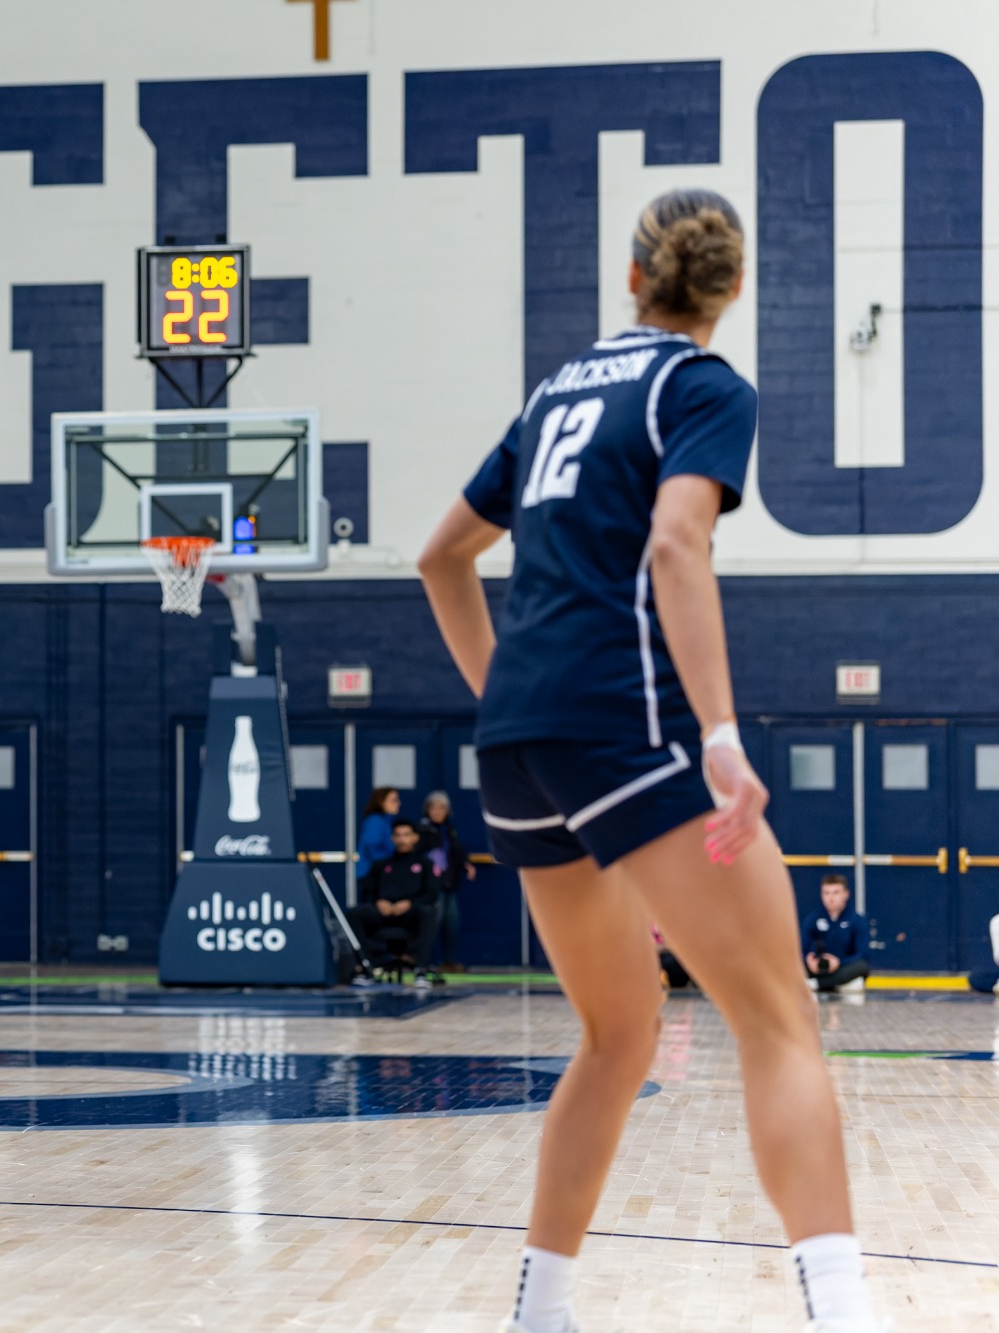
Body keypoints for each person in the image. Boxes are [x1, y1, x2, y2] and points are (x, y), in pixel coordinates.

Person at [417, 188, 883, 1331]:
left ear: (632, 277)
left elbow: (438, 558)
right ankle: (845, 1312)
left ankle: (541, 1308)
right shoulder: (701, 387)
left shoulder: (558, 389)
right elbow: (677, 540)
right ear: (726, 292)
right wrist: (719, 739)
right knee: (778, 1017)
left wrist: (513, 700)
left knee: (618, 1031)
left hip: (515, 739)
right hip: (621, 719)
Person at [352, 817, 441, 982]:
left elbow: (431, 894)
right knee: (354, 914)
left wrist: (410, 903)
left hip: (410, 915)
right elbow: (367, 893)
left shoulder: (425, 864)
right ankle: (367, 967)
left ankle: (420, 970)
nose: (402, 839)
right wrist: (378, 902)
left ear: (415, 837)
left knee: (428, 913)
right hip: (383, 914)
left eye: (406, 835)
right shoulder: (381, 864)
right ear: (392, 838)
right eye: (398, 835)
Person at [417, 791, 473, 971]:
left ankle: (449, 960)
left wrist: (466, 864)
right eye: (434, 807)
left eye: (442, 808)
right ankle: (425, 961)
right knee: (433, 922)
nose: (438, 812)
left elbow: (457, 851)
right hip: (433, 885)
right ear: (428, 809)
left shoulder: (449, 830)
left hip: (450, 883)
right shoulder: (423, 831)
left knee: (452, 922)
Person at [804, 874, 870, 995]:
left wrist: (839, 962)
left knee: (862, 967)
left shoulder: (857, 920)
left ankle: (816, 984)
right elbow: (802, 948)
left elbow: (862, 954)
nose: (831, 898)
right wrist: (809, 959)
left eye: (835, 893)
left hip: (842, 967)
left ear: (846, 894)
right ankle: (839, 984)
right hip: (817, 969)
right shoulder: (812, 919)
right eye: (826, 893)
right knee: (793, 965)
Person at [355, 787, 400, 879]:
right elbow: (372, 847)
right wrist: (389, 867)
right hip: (375, 874)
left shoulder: (385, 821)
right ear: (381, 802)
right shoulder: (375, 821)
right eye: (393, 800)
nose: (398, 803)